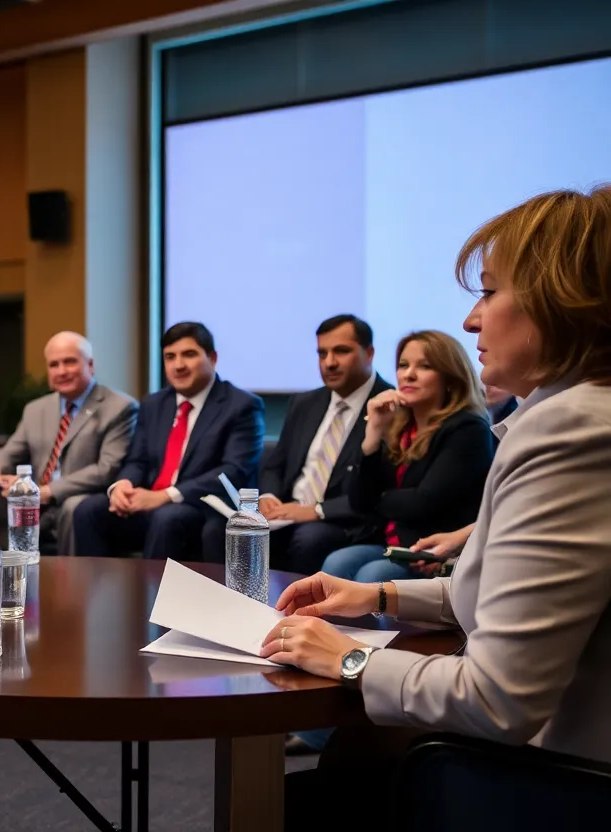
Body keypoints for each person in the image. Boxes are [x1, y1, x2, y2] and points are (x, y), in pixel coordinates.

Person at [266, 187, 611, 827]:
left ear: (562, 300)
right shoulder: (560, 420)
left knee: (288, 806)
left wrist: (347, 657)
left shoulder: (570, 433)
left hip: (552, 786)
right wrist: (377, 596)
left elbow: (498, 699)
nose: (471, 320)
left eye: (489, 292)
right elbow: (500, 590)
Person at [73, 322, 264, 560]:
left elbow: (233, 471)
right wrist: (123, 485)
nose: (179, 365)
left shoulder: (242, 406)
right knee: (88, 509)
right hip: (150, 504)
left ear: (212, 358)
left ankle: (153, 586)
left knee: (167, 517)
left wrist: (166, 495)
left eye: (189, 354)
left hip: (200, 507)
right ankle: (93, 585)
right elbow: (138, 461)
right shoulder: (154, 404)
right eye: (170, 357)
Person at [317, 330, 493, 584]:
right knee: (337, 561)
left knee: (373, 575)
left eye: (424, 366)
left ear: (450, 377)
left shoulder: (467, 428)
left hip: (437, 551)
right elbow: (358, 501)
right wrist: (374, 431)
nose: (408, 374)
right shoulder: (399, 425)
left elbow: (424, 502)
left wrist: (376, 498)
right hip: (395, 543)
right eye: (403, 365)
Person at [0, 331, 137, 551]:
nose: (61, 371)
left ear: (90, 365)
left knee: (73, 507)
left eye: (70, 362)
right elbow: (9, 451)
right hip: (35, 499)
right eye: (54, 364)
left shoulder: (119, 407)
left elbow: (106, 469)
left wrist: (48, 491)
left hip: (79, 499)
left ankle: (73, 574)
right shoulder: (36, 409)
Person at [257, 315, 393, 574]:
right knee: (233, 528)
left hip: (347, 521)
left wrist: (317, 510)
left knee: (309, 538)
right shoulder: (304, 403)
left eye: (341, 351)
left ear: (369, 353)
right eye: (322, 353)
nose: (329, 363)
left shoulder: (389, 406)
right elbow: (276, 465)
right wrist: (269, 497)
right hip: (287, 514)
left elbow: (381, 490)